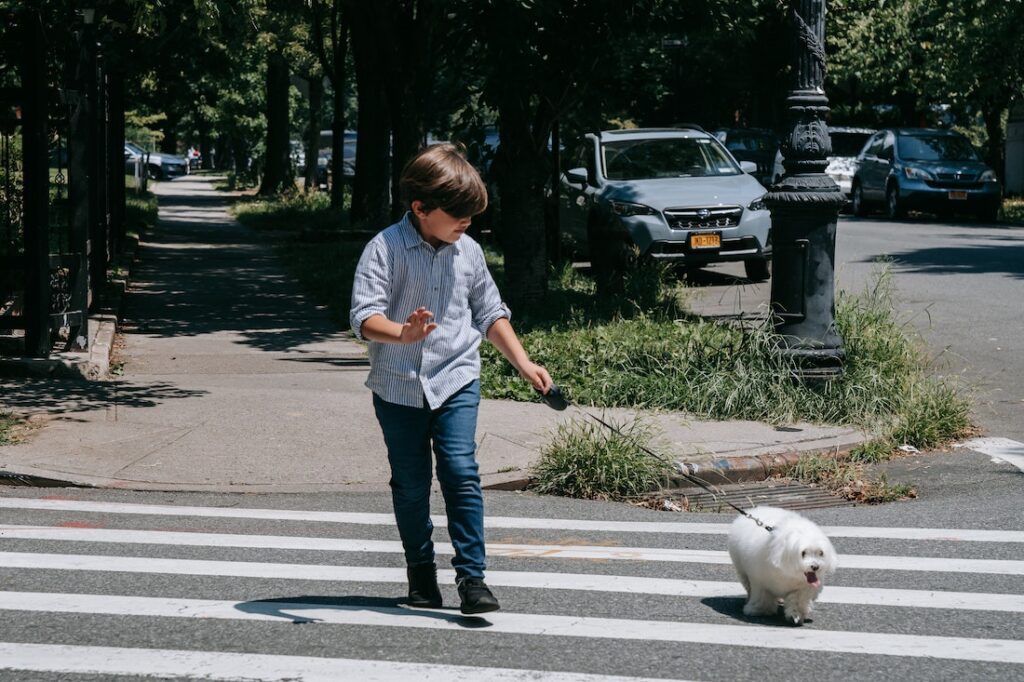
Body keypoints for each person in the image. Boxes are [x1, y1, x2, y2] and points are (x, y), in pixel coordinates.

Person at [350, 143, 553, 614]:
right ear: (420, 208)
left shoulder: (470, 252)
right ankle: (421, 570)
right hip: (398, 385)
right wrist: (403, 332)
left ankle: (472, 579)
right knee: (411, 483)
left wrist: (523, 362)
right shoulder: (384, 248)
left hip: (456, 377)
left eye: (472, 214)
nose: (467, 223)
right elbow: (363, 317)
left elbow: (489, 312)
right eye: (458, 213)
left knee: (461, 472)